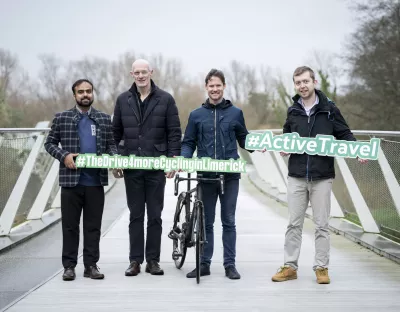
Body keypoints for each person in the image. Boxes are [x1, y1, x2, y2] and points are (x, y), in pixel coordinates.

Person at [271, 66, 368, 284]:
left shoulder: (330, 109)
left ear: (314, 82)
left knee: (321, 224)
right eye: (298, 82)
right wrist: (284, 147)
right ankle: (289, 266)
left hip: (322, 175)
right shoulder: (292, 110)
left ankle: (321, 268)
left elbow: (344, 133)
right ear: (295, 85)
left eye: (306, 81)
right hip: (296, 174)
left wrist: (357, 150)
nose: (302, 86)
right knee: (293, 223)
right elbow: (287, 136)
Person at [180, 68, 256, 280]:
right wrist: (184, 159)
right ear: (206, 88)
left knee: (229, 221)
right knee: (206, 222)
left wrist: (260, 145)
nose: (215, 89)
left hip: (230, 177)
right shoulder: (196, 115)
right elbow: (188, 142)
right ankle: (204, 264)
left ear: (224, 87)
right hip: (206, 176)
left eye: (218, 85)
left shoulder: (236, 113)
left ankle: (229, 265)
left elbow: (245, 141)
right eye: (211, 86)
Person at [112, 59, 182, 276]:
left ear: (151, 72)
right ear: (131, 74)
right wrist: (116, 160)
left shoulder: (166, 99)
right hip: (131, 166)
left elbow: (174, 132)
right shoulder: (123, 100)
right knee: (135, 215)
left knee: (154, 215)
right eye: (137, 72)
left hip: (156, 166)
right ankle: (135, 261)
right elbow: (115, 134)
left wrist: (173, 160)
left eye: (144, 72)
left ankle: (153, 260)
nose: (141, 76)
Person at [44, 78, 117, 281]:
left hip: (95, 182)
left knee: (93, 227)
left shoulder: (103, 119)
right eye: (81, 92)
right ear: (74, 95)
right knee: (70, 226)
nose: (85, 95)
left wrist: (114, 158)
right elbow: (49, 144)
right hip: (70, 182)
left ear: (93, 93)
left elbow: (112, 145)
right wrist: (64, 156)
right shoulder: (62, 118)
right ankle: (69, 266)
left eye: (88, 91)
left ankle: (91, 265)